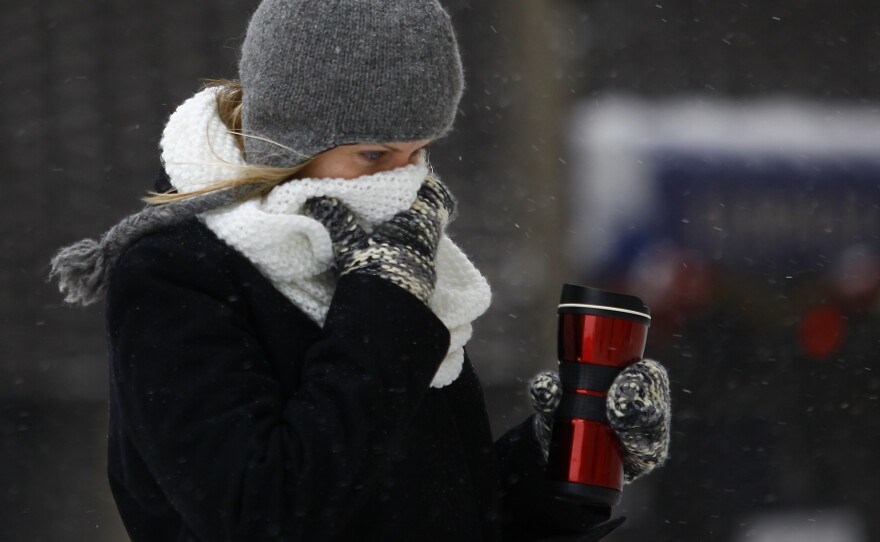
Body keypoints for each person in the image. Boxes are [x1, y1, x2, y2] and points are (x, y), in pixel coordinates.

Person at [49, 1, 671, 540]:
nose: (401, 181)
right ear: (287, 144)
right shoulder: (176, 274)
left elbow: (438, 513)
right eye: (373, 154)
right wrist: (383, 304)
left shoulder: (379, 258)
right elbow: (263, 516)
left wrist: (561, 459)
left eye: (418, 152)